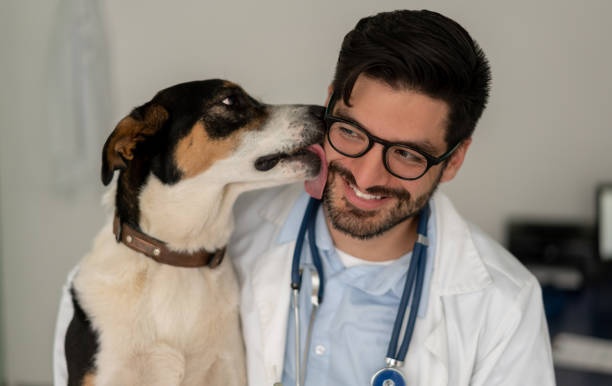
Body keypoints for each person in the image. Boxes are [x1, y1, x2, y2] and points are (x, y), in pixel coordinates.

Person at [54, 9, 555, 386]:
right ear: (331, 102)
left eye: (407, 154)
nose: (366, 172)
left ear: (455, 158)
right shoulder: (218, 229)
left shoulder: (503, 307)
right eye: (353, 133)